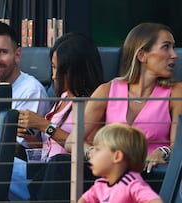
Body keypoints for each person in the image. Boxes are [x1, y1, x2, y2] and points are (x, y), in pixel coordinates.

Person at [66, 22, 182, 192]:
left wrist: (162, 152)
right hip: (109, 175)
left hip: (151, 177)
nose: (174, 55)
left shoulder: (176, 92)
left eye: (173, 47)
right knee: (59, 165)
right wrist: (93, 152)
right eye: (166, 47)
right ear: (142, 55)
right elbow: (72, 141)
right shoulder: (107, 90)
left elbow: (178, 145)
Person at [17, 33, 103, 201]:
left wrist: (44, 125)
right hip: (43, 171)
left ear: (77, 69)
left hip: (69, 177)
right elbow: (51, 143)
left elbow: (89, 149)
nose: (54, 76)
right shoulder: (63, 97)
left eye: (59, 69)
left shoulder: (93, 102)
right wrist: (32, 140)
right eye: (53, 67)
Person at [0, 21, 50, 200]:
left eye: (2, 52)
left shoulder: (32, 89)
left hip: (15, 171)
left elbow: (13, 149)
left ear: (17, 55)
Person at [78, 123, 163, 203]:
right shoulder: (101, 184)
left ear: (117, 156)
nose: (90, 153)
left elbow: (154, 200)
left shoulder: (130, 183)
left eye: (97, 149)